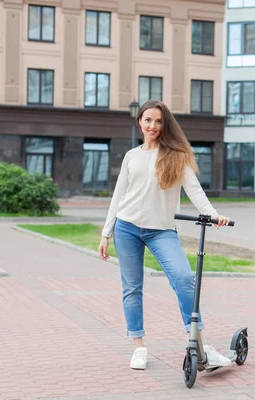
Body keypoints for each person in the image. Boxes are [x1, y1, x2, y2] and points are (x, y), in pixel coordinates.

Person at [98, 99, 233, 370]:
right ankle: (138, 346)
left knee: (184, 279)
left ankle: (200, 343)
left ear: (165, 124)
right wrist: (106, 233)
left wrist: (213, 213)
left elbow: (194, 189)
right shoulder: (131, 156)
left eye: (158, 121)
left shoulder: (176, 154)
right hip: (126, 227)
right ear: (139, 121)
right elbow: (119, 195)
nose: (153, 126)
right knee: (132, 288)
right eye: (148, 120)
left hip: (161, 231)